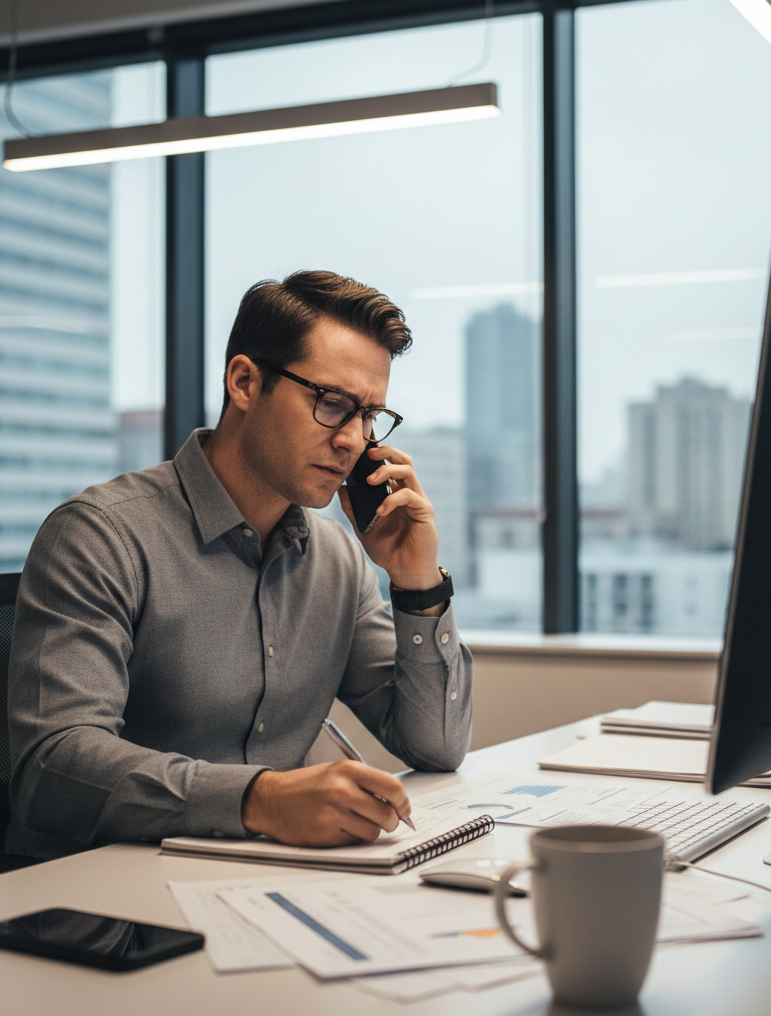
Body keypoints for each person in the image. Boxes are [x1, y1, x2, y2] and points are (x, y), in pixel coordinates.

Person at [5, 271, 472, 860]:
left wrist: (417, 583)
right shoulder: (100, 535)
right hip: (99, 899)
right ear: (245, 382)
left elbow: (438, 746)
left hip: (259, 884)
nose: (355, 439)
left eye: (371, 415)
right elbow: (53, 766)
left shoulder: (337, 557)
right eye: (332, 404)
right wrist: (263, 799)